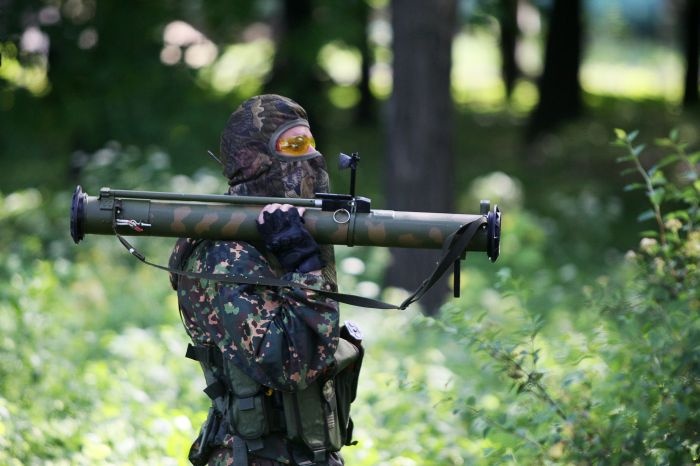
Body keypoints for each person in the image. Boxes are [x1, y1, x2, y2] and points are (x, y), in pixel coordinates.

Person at [169, 94, 362, 466]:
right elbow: (288, 365)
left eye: (310, 144)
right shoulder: (222, 254)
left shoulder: (277, 239)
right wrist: (304, 268)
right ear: (254, 159)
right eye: (293, 145)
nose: (311, 159)